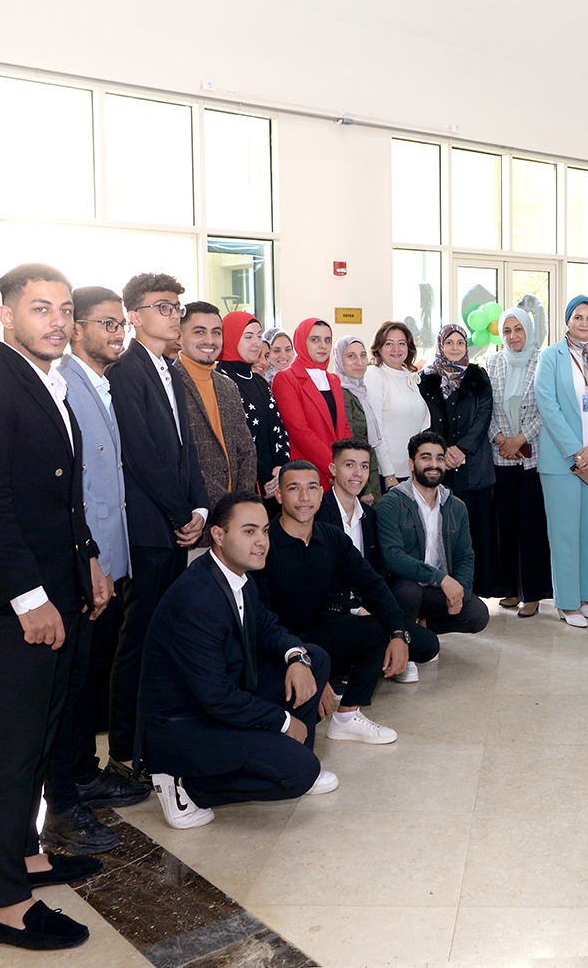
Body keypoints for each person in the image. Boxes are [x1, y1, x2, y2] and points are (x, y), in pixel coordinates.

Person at [0, 262, 110, 950]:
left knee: (40, 733)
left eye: (64, 309)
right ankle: (3, 904)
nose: (57, 321)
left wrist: (87, 556)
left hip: (52, 588)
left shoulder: (50, 382)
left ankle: (28, 855)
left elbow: (61, 495)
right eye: (41, 308)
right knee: (6, 750)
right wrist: (29, 599)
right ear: (6, 316)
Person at [140, 492, 338, 829]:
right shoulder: (196, 599)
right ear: (218, 535)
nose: (261, 541)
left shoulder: (239, 577)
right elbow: (217, 697)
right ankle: (185, 783)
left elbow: (267, 627)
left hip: (223, 700)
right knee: (300, 773)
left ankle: (291, 752)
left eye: (264, 531)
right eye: (249, 531)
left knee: (313, 659)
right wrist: (283, 721)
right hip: (187, 726)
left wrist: (296, 657)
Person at [42, 286, 147, 859]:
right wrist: (92, 561)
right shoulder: (65, 383)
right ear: (77, 329)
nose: (117, 333)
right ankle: (68, 788)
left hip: (109, 555)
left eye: (119, 325)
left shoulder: (100, 383)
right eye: (105, 324)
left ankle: (84, 772)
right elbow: (74, 486)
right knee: (75, 679)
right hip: (86, 561)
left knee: (91, 672)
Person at [107, 272, 208, 783]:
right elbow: (141, 454)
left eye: (176, 307)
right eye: (163, 307)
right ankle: (126, 749)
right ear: (135, 316)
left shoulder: (170, 368)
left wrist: (200, 509)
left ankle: (157, 734)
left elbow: (187, 452)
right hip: (149, 527)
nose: (174, 316)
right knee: (139, 638)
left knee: (163, 635)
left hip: (175, 522)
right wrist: (178, 513)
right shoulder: (126, 372)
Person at [255, 458, 416, 744]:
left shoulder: (331, 537)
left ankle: (347, 716)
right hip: (275, 650)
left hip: (318, 634)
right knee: (299, 744)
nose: (304, 497)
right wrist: (313, 671)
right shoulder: (263, 545)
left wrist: (398, 633)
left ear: (321, 493)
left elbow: (373, 585)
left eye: (311, 488)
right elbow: (261, 622)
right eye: (293, 488)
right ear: (278, 495)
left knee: (377, 627)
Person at [534, 295, 588, 629]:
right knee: (564, 532)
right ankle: (567, 602)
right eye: (578, 317)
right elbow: (548, 405)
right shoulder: (551, 357)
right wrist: (577, 450)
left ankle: (585, 597)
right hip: (562, 460)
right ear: (568, 321)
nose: (584, 323)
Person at [323, 438, 441, 681]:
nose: (358, 473)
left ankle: (370, 657)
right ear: (333, 469)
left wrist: (393, 625)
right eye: (349, 465)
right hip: (332, 610)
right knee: (371, 632)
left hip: (368, 606)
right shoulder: (319, 514)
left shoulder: (369, 516)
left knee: (427, 645)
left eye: (364, 466)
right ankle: (347, 666)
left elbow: (376, 576)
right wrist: (354, 609)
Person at [376, 431, 491, 640]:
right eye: (426, 457)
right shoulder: (391, 503)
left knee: (477, 615)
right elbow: (393, 556)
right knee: (409, 591)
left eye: (439, 458)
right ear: (411, 464)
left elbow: (464, 556)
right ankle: (400, 640)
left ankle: (423, 629)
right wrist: (441, 579)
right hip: (402, 586)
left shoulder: (456, 506)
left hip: (436, 588)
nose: (434, 465)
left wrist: (460, 592)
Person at [419, 323, 496, 597]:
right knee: (442, 533)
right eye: (449, 342)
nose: (454, 347)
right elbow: (424, 419)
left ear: (466, 346)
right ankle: (444, 593)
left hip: (474, 467)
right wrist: (443, 452)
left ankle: (475, 594)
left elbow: (484, 414)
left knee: (476, 533)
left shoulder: (477, 376)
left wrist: (462, 449)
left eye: (460, 343)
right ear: (440, 346)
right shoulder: (426, 379)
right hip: (439, 468)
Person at [486, 308, 552, 616]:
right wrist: (501, 439)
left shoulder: (543, 362)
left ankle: (532, 593)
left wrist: (520, 439)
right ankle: (510, 588)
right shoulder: (492, 363)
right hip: (501, 458)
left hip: (533, 458)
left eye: (519, 329)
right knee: (506, 526)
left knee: (532, 527)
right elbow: (484, 408)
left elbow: (548, 408)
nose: (513, 336)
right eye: (507, 330)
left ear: (529, 331)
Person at [174, 302, 258, 542]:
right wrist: (219, 508)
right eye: (199, 332)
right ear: (179, 336)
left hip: (234, 523)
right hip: (193, 525)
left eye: (216, 332)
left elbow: (246, 450)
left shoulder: (228, 386)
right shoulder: (169, 384)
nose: (210, 340)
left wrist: (239, 504)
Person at [273, 317, 353, 493]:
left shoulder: (333, 380)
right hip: (308, 472)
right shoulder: (286, 378)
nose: (323, 346)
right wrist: (333, 468)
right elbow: (299, 431)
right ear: (301, 342)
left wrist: (347, 463)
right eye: (315, 339)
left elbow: (344, 426)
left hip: (338, 472)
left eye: (327, 340)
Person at [217, 310, 289, 500]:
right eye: (248, 336)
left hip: (275, 482)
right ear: (230, 337)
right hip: (243, 484)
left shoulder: (259, 381)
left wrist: (281, 468)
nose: (256, 343)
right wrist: (265, 477)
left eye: (259, 335)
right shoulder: (219, 380)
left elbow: (279, 428)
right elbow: (233, 440)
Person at [365, 321, 431, 490]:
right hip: (389, 474)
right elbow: (375, 429)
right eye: (389, 343)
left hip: (413, 470)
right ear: (379, 348)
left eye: (401, 343)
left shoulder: (408, 375)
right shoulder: (374, 374)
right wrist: (389, 473)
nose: (396, 349)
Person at [332, 336, 384, 501]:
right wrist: (365, 489)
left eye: (362, 355)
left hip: (368, 470)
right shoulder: (341, 393)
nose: (359, 362)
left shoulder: (360, 391)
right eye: (351, 356)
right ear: (340, 359)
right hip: (356, 479)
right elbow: (349, 443)